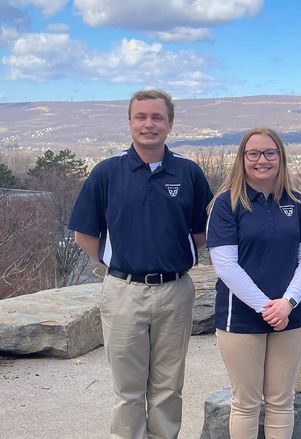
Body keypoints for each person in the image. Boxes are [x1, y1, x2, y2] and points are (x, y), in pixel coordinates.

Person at [69, 88, 213, 438]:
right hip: (123, 292)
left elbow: (202, 230)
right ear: (131, 122)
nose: (149, 124)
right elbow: (84, 234)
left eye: (157, 117)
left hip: (175, 291)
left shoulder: (189, 173)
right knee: (128, 389)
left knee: (168, 386)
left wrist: (173, 257)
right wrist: (118, 264)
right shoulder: (107, 173)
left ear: (170, 123)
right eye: (141, 117)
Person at [206, 127, 301, 439]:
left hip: (292, 315)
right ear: (242, 159)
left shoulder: (298, 203)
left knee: (282, 401)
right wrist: (266, 307)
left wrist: (288, 303)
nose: (262, 160)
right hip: (239, 316)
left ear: (280, 157)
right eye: (253, 154)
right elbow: (226, 266)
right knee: (246, 403)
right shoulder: (226, 204)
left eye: (270, 153)